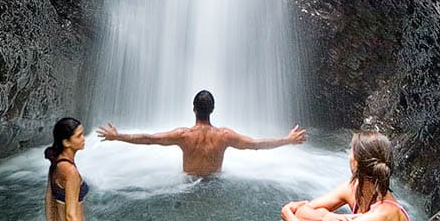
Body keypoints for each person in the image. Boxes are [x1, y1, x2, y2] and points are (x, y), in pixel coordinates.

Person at [95, 89, 307, 176]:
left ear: (193, 109)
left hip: (188, 184)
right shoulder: (224, 136)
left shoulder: (183, 135)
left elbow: (149, 139)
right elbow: (255, 144)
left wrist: (118, 136)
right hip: (215, 185)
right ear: (213, 110)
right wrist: (287, 140)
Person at [280, 131, 410, 221]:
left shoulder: (383, 214)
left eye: (351, 152)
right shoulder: (353, 187)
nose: (349, 156)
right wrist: (325, 217)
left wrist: (288, 215)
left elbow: (296, 215)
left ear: (357, 163)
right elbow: (302, 211)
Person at [44, 117, 89, 221]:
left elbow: (48, 201)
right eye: (79, 136)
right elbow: (71, 215)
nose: (83, 138)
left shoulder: (57, 162)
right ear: (66, 142)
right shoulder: (70, 171)